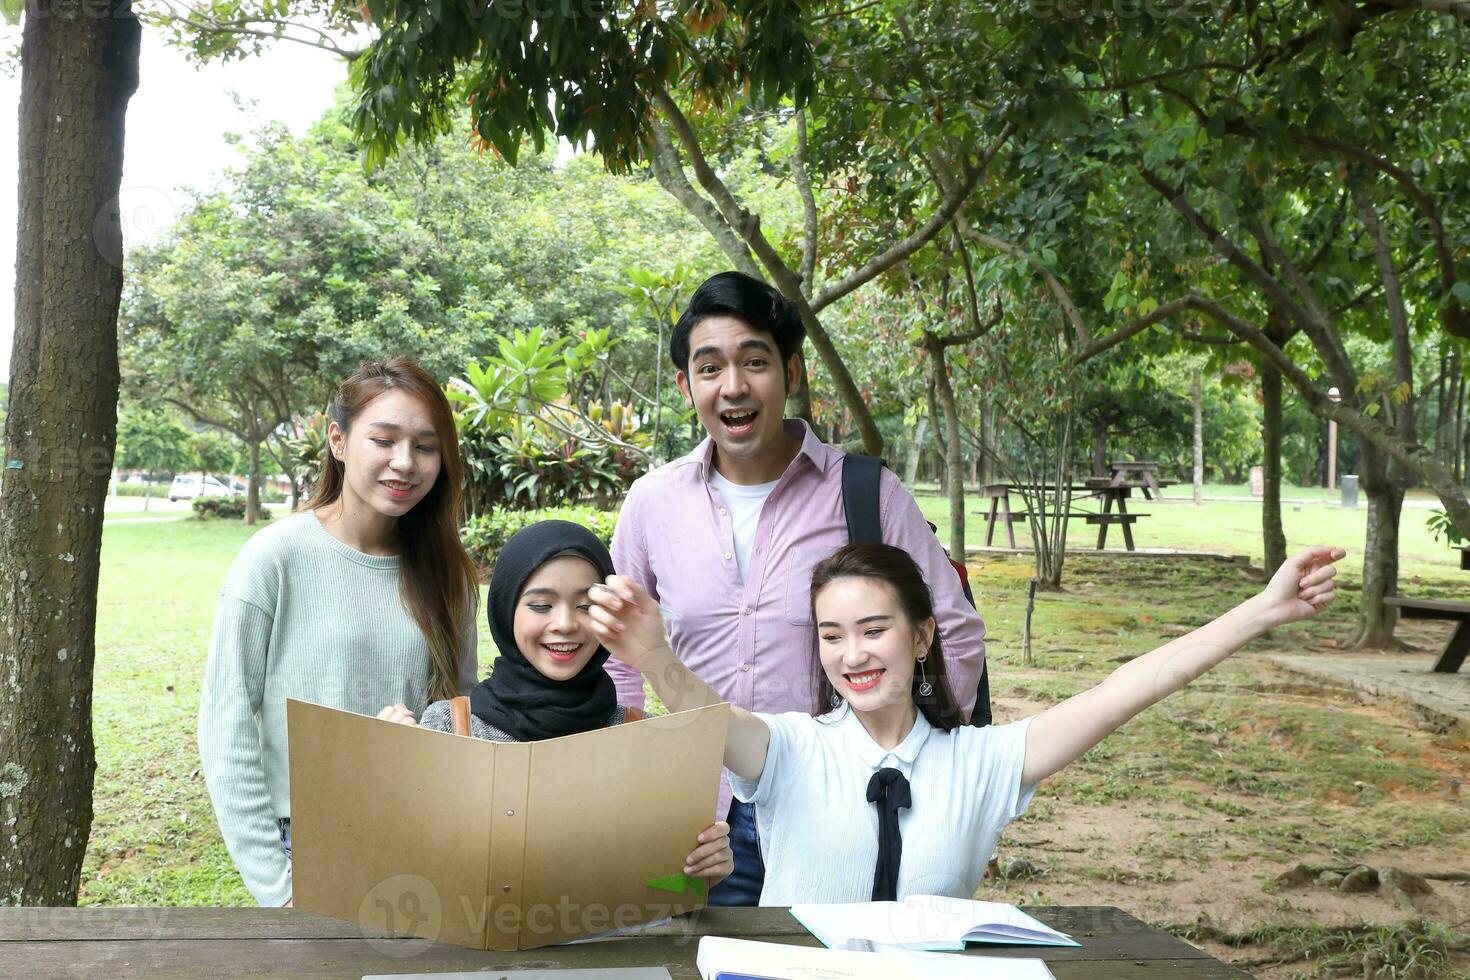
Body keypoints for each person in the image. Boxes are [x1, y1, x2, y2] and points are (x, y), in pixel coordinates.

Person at [589, 542, 1343, 905]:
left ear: (920, 638)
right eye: (830, 634)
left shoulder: (982, 763)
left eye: (875, 629)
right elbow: (702, 710)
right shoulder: (789, 751)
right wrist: (657, 660)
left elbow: (1128, 689)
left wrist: (1265, 609)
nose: (852, 654)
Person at [607, 270, 987, 905]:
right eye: (710, 368)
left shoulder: (863, 492)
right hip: (701, 820)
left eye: (755, 362)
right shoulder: (652, 504)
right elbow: (618, 653)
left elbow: (952, 630)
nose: (734, 386)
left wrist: (906, 753)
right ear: (685, 385)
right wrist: (636, 773)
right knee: (706, 966)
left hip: (834, 808)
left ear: (791, 371)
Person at [198, 357, 480, 908]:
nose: (405, 462)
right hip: (306, 845)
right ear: (339, 441)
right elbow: (225, 722)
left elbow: (459, 717)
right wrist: (278, 886)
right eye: (384, 439)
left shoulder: (450, 575)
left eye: (425, 446)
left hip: (422, 843)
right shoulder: (274, 558)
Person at [376, 520, 734, 888]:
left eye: (584, 605)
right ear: (505, 609)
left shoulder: (642, 737)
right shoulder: (448, 728)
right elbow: (403, 867)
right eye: (541, 605)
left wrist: (701, 870)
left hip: (609, 945)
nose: (564, 624)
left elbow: (664, 887)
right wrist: (391, 780)